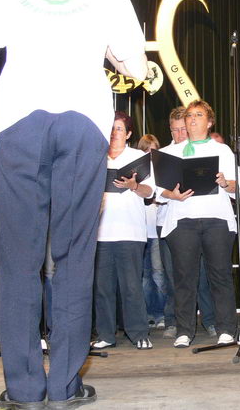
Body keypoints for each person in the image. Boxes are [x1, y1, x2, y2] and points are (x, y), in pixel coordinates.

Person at [0, 0, 147, 408]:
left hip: (21, 122)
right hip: (84, 123)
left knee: (19, 258)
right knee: (74, 255)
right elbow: (136, 66)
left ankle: (23, 390)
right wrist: (106, 52)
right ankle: (64, 386)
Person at [158, 100, 237, 348]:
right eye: (190, 115)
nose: (192, 119)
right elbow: (158, 190)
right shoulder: (171, 153)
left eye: (199, 115)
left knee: (220, 274)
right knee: (184, 277)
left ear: (209, 121)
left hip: (217, 218)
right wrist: (173, 194)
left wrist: (225, 182)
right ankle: (184, 330)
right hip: (183, 219)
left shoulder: (223, 151)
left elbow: (238, 188)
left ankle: (227, 328)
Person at [92, 112, 155, 351]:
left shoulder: (138, 157)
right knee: (102, 287)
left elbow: (151, 192)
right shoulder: (96, 157)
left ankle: (138, 332)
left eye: (119, 128)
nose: (114, 133)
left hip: (130, 230)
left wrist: (134, 185)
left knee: (131, 286)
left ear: (128, 134)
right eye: (111, 128)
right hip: (100, 231)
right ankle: (106, 334)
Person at [157, 107, 216, 337]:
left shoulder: (202, 149)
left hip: (195, 220)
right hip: (167, 222)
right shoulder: (164, 154)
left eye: (183, 128)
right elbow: (155, 190)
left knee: (201, 275)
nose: (180, 134)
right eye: (175, 130)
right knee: (174, 276)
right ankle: (175, 321)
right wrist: (170, 194)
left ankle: (209, 320)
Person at [136, 134, 169, 334]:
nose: (150, 153)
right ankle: (148, 313)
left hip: (156, 228)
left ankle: (161, 314)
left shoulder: (161, 170)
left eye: (154, 149)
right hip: (139, 230)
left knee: (159, 274)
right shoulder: (136, 173)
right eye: (147, 150)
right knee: (144, 276)